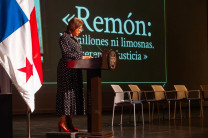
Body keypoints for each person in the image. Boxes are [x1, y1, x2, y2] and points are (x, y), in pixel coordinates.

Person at [56, 17, 91, 132]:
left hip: (75, 70)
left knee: (73, 96)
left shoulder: (75, 39)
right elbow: (66, 54)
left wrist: (83, 58)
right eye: (80, 28)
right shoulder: (64, 37)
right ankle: (62, 122)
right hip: (66, 70)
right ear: (73, 27)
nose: (81, 31)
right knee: (65, 95)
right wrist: (82, 57)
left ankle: (69, 122)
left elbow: (77, 53)